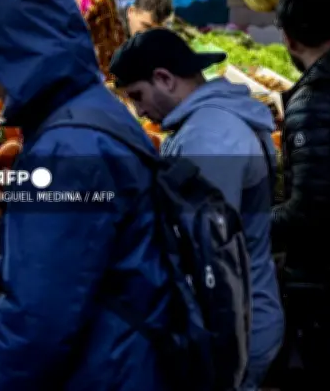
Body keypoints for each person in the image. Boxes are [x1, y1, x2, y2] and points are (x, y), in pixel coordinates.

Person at [0, 0, 172, 391]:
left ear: (23, 57)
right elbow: (89, 246)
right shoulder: (98, 112)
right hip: (132, 353)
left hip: (103, 367)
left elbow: (41, 318)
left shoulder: (66, 148)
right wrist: (8, 270)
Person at [109, 27, 284, 390]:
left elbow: (201, 250)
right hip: (243, 316)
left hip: (233, 329)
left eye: (138, 96)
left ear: (164, 78)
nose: (140, 111)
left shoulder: (210, 135)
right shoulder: (211, 123)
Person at [271, 0, 330, 389]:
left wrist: (245, 224)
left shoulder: (313, 100)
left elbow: (311, 208)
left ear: (289, 39)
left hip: (323, 281)